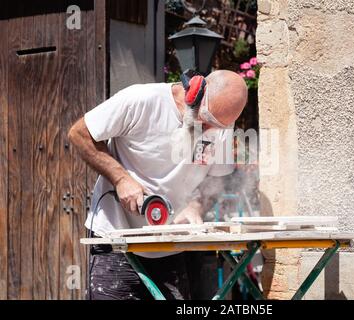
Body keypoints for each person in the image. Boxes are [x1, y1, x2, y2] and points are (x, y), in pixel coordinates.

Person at [68, 70, 248, 300]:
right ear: (194, 93)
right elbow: (79, 133)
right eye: (208, 121)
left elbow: (218, 177)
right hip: (116, 240)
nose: (211, 131)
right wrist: (120, 178)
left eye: (220, 126)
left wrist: (196, 204)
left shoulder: (220, 123)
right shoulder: (141, 101)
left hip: (171, 246)